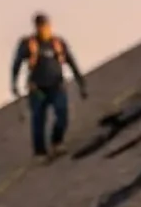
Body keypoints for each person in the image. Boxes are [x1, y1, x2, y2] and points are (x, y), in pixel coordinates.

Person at [8, 13, 88, 157]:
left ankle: (57, 141)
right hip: (37, 89)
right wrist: (14, 84)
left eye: (45, 25)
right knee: (38, 120)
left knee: (62, 114)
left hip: (57, 85)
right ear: (36, 27)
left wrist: (81, 83)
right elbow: (17, 63)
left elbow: (71, 61)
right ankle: (40, 152)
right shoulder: (28, 44)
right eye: (40, 26)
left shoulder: (58, 43)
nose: (43, 28)